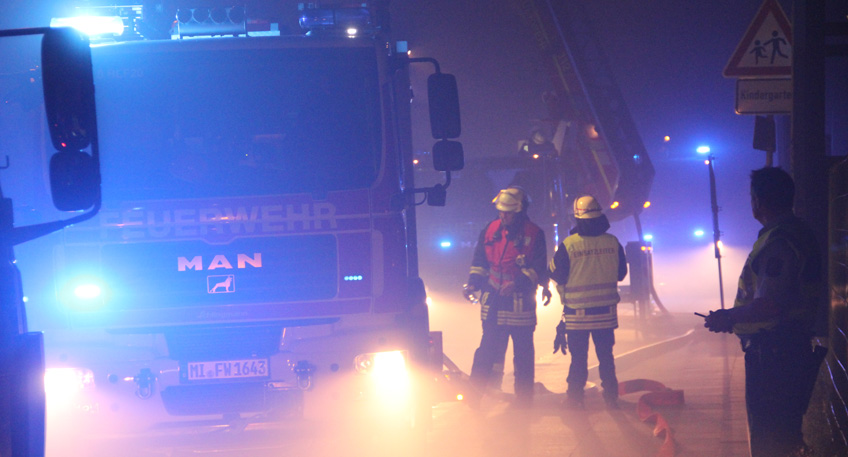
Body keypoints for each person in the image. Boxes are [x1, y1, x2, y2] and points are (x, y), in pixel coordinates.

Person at [703, 167, 826, 457]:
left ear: (758, 201)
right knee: (783, 433)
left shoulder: (778, 241)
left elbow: (770, 303)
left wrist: (728, 317)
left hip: (774, 354)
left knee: (770, 437)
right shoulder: (795, 233)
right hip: (785, 350)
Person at [463, 186, 551, 408]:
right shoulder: (490, 230)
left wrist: (517, 283)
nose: (504, 216)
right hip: (493, 301)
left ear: (520, 211)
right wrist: (473, 283)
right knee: (486, 352)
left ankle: (523, 401)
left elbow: (539, 268)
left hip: (520, 303)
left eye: (509, 212)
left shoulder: (534, 234)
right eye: (501, 211)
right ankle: (474, 398)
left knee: (522, 355)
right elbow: (480, 261)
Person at [549, 195, 627, 409]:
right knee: (606, 358)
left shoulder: (569, 245)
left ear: (577, 218)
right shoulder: (613, 243)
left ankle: (575, 399)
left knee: (578, 361)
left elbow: (557, 274)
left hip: (577, 315)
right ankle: (611, 398)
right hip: (606, 314)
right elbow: (621, 273)